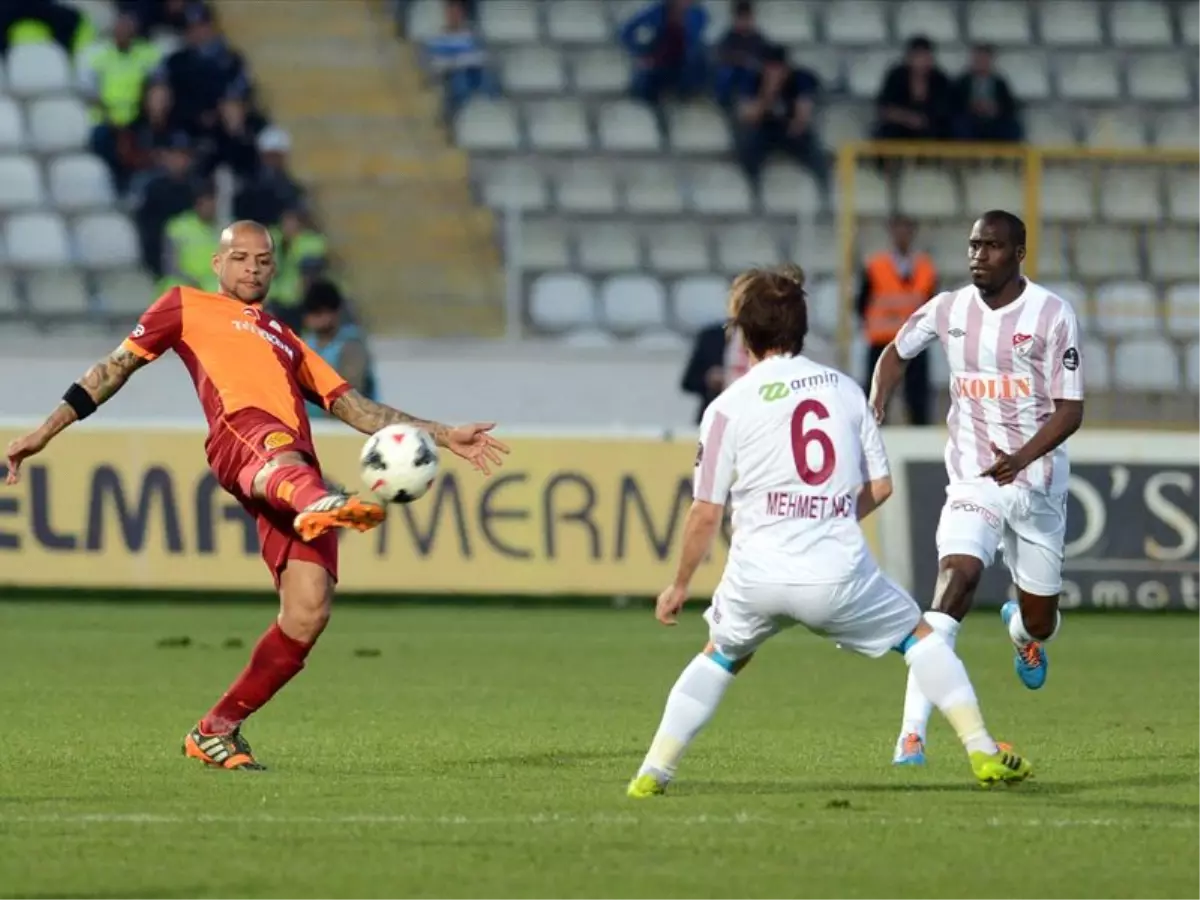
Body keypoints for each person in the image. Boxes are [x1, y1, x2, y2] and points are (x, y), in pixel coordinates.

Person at [4, 221, 510, 771]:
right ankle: (315, 500)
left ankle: (215, 730)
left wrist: (442, 433)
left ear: (274, 268)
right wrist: (43, 432)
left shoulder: (284, 337)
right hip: (244, 438)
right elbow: (111, 370)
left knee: (308, 613)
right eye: (240, 258)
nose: (252, 268)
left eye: (263, 260)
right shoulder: (183, 304)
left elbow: (356, 407)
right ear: (218, 265)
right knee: (280, 456)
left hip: (295, 464)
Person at [627, 264, 1033, 797]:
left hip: (757, 576)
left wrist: (678, 585)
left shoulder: (727, 406)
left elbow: (705, 512)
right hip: (837, 574)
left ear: (745, 333)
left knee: (721, 654)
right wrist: (828, 516)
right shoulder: (844, 390)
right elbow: (881, 487)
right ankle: (982, 751)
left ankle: (652, 773)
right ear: (801, 328)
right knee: (920, 639)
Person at [869, 211, 1083, 766]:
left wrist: (1023, 457)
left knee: (1041, 618)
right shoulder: (947, 308)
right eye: (972, 245)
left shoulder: (1053, 314)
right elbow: (895, 352)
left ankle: (1022, 632)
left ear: (1018, 253)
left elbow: (1071, 409)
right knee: (954, 584)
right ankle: (911, 734)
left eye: (991, 247)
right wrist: (877, 400)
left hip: (1035, 482)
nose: (977, 256)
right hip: (973, 479)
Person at [856, 215, 938, 425]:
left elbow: (932, 303)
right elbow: (861, 303)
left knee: (918, 396)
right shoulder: (875, 266)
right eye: (898, 229)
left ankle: (919, 439)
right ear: (891, 232)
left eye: (906, 229)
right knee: (878, 395)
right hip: (882, 342)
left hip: (915, 341)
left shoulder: (925, 268)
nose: (902, 235)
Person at [301, 279, 377, 419]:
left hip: (345, 428)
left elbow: (348, 396)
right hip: (312, 427)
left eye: (319, 312)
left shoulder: (351, 345)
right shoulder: (304, 343)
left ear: (334, 312)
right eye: (310, 312)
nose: (313, 318)